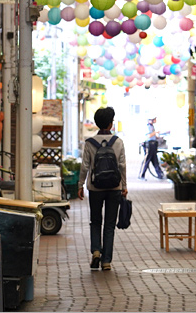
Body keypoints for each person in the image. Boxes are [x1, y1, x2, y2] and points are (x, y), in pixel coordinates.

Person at [78, 106, 127, 271]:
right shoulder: (118, 142)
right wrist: (124, 187)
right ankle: (106, 261)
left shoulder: (89, 143)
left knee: (95, 221)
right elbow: (122, 166)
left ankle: (96, 251)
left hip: (95, 188)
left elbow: (85, 166)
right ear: (111, 123)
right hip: (114, 187)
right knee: (110, 224)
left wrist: (80, 185)